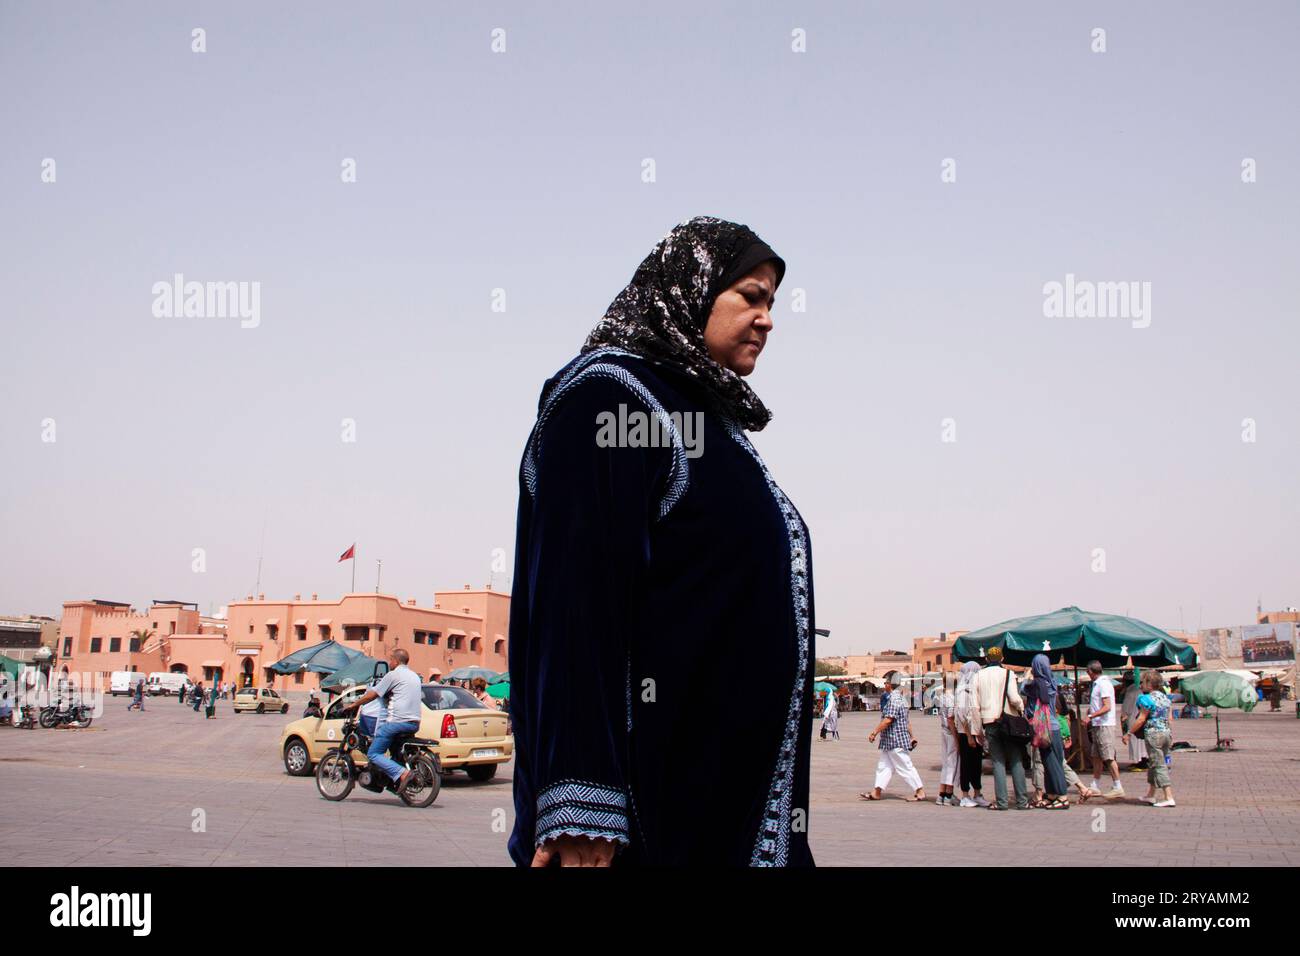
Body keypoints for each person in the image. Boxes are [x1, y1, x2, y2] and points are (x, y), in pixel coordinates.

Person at [508, 217, 815, 868]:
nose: (767, 320)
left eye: (772, 304)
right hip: (643, 826)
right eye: (751, 297)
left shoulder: (703, 421)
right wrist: (580, 801)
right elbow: (575, 601)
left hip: (722, 816)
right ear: (692, 291)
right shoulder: (610, 400)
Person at [346, 648, 423, 793]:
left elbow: (372, 695)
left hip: (396, 722)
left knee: (373, 753)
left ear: (396, 660)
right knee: (394, 750)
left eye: (390, 659)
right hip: (414, 723)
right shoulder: (414, 676)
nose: (389, 662)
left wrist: (354, 705)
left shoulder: (393, 675)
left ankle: (403, 773)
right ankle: (393, 780)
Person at [975, 647, 1029, 810]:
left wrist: (977, 730)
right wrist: (1021, 707)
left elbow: (974, 706)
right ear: (1002, 659)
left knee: (997, 762)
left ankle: (1002, 802)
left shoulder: (978, 676)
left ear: (986, 659)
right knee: (1015, 761)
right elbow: (1014, 698)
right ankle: (1022, 801)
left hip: (989, 722)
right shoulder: (1008, 674)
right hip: (1008, 722)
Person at [861, 676, 925, 802]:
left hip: (895, 740)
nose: (884, 685)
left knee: (905, 767)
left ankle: (920, 791)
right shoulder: (899, 698)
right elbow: (907, 721)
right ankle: (876, 792)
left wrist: (874, 732)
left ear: (889, 684)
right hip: (889, 742)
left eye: (885, 682)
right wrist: (912, 736)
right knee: (884, 767)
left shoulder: (894, 699)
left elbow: (888, 720)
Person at [1023, 654, 1068, 809]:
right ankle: (1052, 794)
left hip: (1043, 728)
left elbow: (1024, 691)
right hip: (1053, 727)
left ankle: (1063, 796)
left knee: (1052, 763)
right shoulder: (1052, 682)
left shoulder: (1034, 685)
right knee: (1051, 761)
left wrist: (1027, 675)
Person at [1124, 670, 1176, 807]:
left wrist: (1128, 733)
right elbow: (1170, 718)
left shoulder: (1146, 699)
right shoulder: (1165, 698)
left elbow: (1141, 719)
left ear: (1149, 684)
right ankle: (1151, 795)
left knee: (1159, 765)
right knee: (1154, 763)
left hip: (1153, 734)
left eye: (1142, 682)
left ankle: (1168, 796)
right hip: (1166, 733)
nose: (1141, 685)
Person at [1085, 661, 1125, 798]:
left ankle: (1118, 785)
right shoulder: (1097, 684)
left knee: (1108, 756)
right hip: (1097, 724)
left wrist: (1091, 715)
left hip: (1105, 724)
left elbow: (1107, 706)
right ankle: (1095, 784)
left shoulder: (1103, 684)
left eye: (1087, 671)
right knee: (1096, 755)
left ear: (1091, 671)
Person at [952, 661, 987, 807]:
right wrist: (969, 736)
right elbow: (961, 715)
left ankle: (977, 793)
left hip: (975, 732)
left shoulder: (973, 689)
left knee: (976, 764)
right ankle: (965, 795)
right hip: (966, 733)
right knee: (966, 764)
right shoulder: (962, 691)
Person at [935, 679, 958, 805]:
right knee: (952, 763)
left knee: (945, 763)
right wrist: (956, 738)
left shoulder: (942, 697)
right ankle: (949, 794)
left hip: (943, 731)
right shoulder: (952, 698)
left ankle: (941, 794)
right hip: (950, 732)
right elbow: (950, 719)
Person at [1121, 676, 1149, 770]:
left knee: (1135, 740)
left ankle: (1140, 761)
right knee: (1142, 741)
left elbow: (1126, 708)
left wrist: (1123, 716)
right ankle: (1144, 760)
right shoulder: (1140, 690)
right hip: (1141, 717)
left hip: (1133, 718)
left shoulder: (1130, 691)